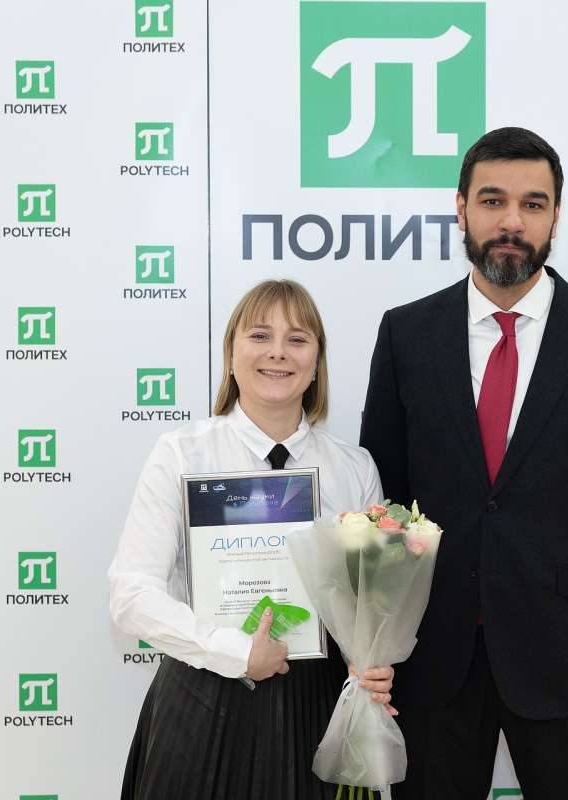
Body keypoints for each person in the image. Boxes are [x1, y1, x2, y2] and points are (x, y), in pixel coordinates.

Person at [359, 126, 568, 799]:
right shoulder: (406, 335)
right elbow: (382, 512)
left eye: (533, 204)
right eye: (493, 200)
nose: (511, 221)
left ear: (556, 216)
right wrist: (370, 649)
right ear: (461, 209)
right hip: (431, 661)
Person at [109, 279, 396, 800]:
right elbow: (132, 595)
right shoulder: (182, 454)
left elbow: (368, 605)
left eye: (297, 339)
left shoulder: (354, 469)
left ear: (316, 362)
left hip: (318, 708)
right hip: (204, 693)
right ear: (230, 354)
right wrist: (237, 652)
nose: (278, 352)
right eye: (260, 335)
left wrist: (369, 657)